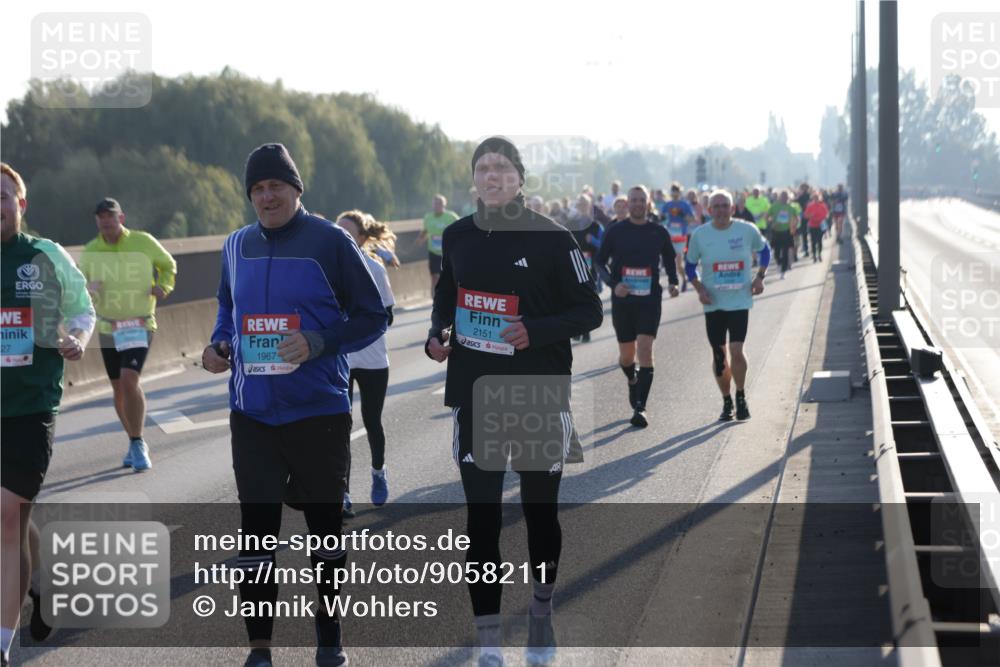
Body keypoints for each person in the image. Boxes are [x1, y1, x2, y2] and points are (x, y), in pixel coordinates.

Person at [201, 143, 387, 667]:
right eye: (257, 189)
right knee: (256, 535)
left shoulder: (329, 241)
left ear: (295, 189)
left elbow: (373, 316)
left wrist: (319, 342)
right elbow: (225, 304)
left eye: (275, 186)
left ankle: (329, 642)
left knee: (325, 535)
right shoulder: (236, 244)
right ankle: (259, 649)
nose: (266, 196)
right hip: (253, 414)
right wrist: (219, 345)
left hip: (318, 413)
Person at [425, 137, 602, 667]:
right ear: (473, 179)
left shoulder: (554, 238)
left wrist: (537, 330)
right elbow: (446, 298)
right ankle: (487, 640)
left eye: (502, 167)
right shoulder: (457, 236)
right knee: (481, 520)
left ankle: (542, 611)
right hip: (474, 394)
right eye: (483, 168)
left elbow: (590, 310)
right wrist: (439, 335)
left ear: (520, 179)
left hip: (537, 391)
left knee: (538, 512)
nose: (492, 175)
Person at [1, 163, 95, 666]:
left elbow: (81, 309)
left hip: (30, 406)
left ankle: (2, 644)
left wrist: (76, 338)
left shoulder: (44, 255)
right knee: (13, 516)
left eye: (2, 196)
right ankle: (40, 586)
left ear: (21, 204)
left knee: (6, 515)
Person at [78, 198, 176, 471]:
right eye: (100, 217)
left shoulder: (143, 242)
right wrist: (89, 287)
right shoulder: (90, 251)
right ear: (97, 221)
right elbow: (78, 287)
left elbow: (168, 265)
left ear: (121, 218)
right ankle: (133, 440)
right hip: (109, 327)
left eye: (110, 215)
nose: (105, 220)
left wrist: (163, 286)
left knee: (129, 379)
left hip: (139, 324)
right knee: (118, 389)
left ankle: (137, 442)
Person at [594, 185, 679, 428]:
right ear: (627, 204)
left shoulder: (658, 231)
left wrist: (673, 282)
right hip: (624, 301)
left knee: (645, 349)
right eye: (634, 200)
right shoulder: (615, 231)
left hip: (649, 299)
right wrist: (613, 283)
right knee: (626, 355)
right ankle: (632, 379)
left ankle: (640, 407)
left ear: (649, 203)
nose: (638, 204)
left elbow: (670, 259)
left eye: (642, 200)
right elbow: (599, 262)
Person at [685, 189, 770, 423]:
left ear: (733, 209)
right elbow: (690, 265)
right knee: (719, 355)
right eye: (717, 206)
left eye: (725, 206)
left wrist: (760, 277)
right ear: (709, 210)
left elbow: (765, 251)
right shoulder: (700, 235)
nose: (721, 210)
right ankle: (726, 400)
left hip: (740, 301)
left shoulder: (746, 230)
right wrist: (699, 288)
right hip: (714, 303)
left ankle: (741, 395)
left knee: (736, 350)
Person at [335, 210, 396, 513]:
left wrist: (361, 323)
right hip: (340, 361)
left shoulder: (375, 268)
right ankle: (342, 493)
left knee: (372, 421)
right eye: (338, 231)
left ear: (361, 238)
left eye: (347, 233)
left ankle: (378, 473)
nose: (341, 237)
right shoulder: (326, 269)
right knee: (339, 426)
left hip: (372, 359)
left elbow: (388, 316)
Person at [416, 194, 459, 293]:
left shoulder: (451, 217)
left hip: (448, 252)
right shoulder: (428, 217)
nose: (437, 206)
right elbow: (425, 231)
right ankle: (435, 300)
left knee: (450, 276)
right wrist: (419, 239)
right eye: (435, 204)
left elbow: (460, 229)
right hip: (433, 252)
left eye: (440, 204)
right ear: (432, 205)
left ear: (444, 205)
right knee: (434, 276)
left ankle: (451, 296)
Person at [661, 183, 696, 292]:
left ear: (680, 192)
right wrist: (660, 217)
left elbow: (692, 220)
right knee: (670, 261)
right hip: (670, 235)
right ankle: (675, 281)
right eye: (673, 191)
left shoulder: (684, 205)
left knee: (678, 263)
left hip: (681, 235)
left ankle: (684, 278)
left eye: (676, 191)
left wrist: (682, 214)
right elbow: (661, 217)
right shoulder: (668, 204)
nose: (674, 193)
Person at [765, 190, 798, 278]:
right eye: (783, 196)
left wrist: (794, 226)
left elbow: (796, 218)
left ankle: (783, 270)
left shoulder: (791, 207)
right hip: (776, 231)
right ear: (780, 197)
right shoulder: (775, 206)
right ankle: (779, 263)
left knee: (786, 251)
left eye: (786, 197)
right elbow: (766, 217)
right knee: (776, 251)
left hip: (787, 231)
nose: (785, 198)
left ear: (788, 197)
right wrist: (772, 223)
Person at [803, 191, 829, 262]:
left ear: (819, 198)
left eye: (817, 198)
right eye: (815, 198)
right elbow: (805, 215)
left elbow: (827, 214)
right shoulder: (810, 206)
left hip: (820, 226)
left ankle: (819, 254)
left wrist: (823, 218)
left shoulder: (823, 205)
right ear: (813, 198)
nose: (816, 199)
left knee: (820, 241)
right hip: (812, 225)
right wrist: (810, 215)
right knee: (813, 241)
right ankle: (814, 255)